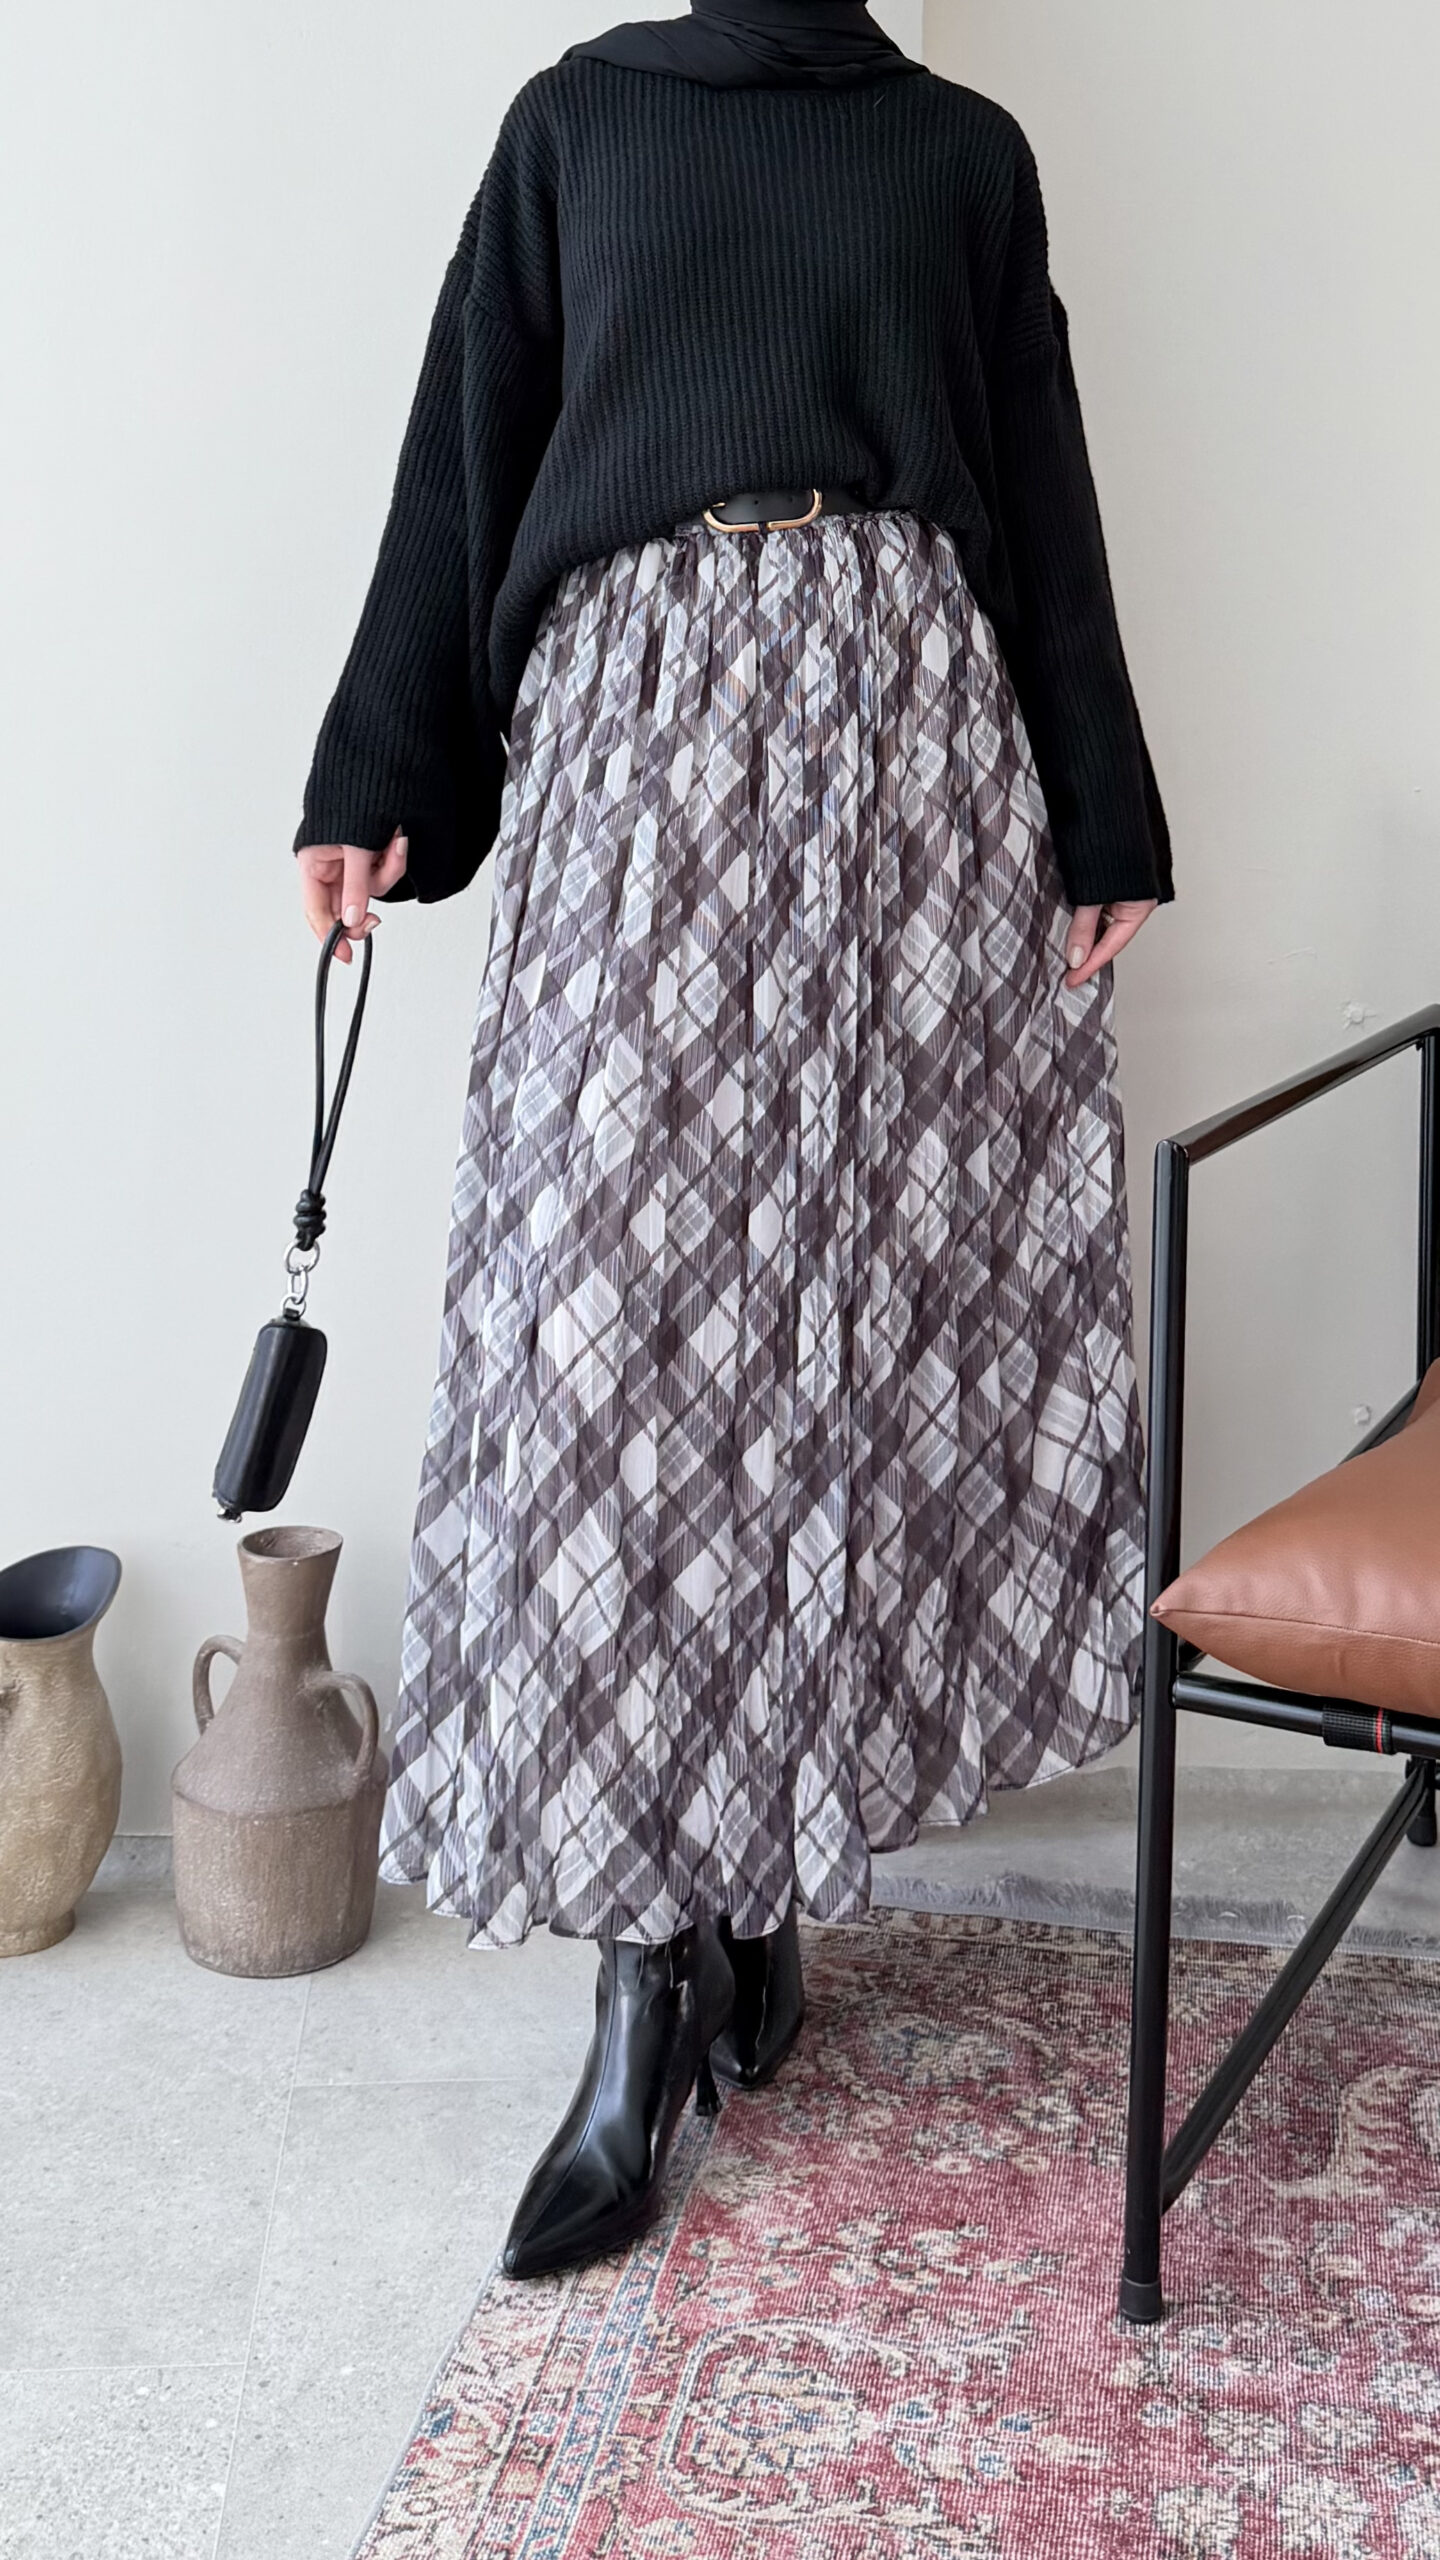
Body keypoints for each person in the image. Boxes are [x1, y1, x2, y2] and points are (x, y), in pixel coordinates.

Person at [292, 0, 1167, 2281]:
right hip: (638, 748)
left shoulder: (960, 153)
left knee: (838, 1335)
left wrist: (1103, 801)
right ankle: (638, 1965)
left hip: (908, 758)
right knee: (617, 1366)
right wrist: (373, 775)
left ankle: (763, 1873)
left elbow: (1037, 483)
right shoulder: (578, 126)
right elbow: (467, 449)